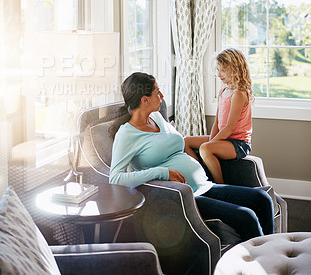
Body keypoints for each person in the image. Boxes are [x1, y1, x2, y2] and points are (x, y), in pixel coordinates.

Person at [109, 72, 274, 242]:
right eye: (157, 92)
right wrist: (162, 172)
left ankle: (275, 252)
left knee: (262, 199)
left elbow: (176, 145)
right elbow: (115, 178)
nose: (162, 96)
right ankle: (259, 262)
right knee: (246, 216)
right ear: (145, 100)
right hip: (185, 197)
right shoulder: (127, 135)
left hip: (204, 185)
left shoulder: (157, 117)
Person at [185, 48, 253, 184]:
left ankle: (220, 184)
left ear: (235, 69)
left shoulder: (239, 94)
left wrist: (210, 144)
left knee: (205, 148)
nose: (219, 74)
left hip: (237, 143)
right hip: (224, 139)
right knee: (185, 141)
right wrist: (211, 140)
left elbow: (229, 128)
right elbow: (217, 122)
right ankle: (202, 172)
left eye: (223, 70)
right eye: (217, 70)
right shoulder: (223, 90)